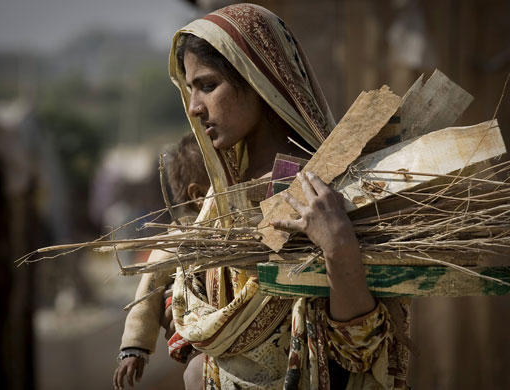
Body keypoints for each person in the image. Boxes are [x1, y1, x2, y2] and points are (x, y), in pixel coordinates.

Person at [118, 3, 410, 390]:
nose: (193, 107)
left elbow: (362, 352)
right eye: (189, 89)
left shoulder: (329, 190)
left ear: (260, 79)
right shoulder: (216, 204)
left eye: (207, 85)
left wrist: (338, 246)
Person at [113, 133, 210, 390]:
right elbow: (147, 293)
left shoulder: (232, 231)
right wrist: (134, 347)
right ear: (199, 195)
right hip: (201, 348)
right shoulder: (177, 241)